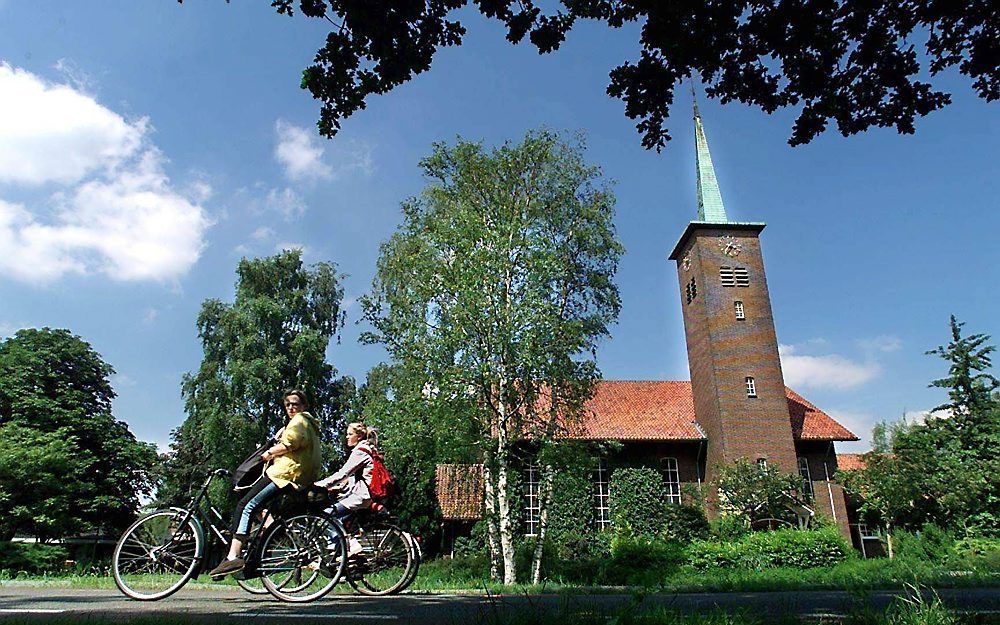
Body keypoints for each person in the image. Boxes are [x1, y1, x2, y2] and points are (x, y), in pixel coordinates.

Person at [208, 388, 322, 578]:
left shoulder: (299, 420)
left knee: (246, 505)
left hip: (285, 473)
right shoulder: (311, 425)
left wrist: (268, 453)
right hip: (300, 476)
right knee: (263, 513)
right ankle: (259, 557)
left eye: (295, 403)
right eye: (288, 404)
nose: (291, 407)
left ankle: (233, 556)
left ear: (304, 406)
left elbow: (290, 444)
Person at [315, 422, 375, 522]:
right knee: (338, 524)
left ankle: (338, 538)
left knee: (323, 519)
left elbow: (342, 474)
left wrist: (318, 485)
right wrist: (337, 488)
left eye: (350, 434)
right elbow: (352, 478)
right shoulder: (365, 449)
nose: (347, 437)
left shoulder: (361, 451)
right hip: (361, 495)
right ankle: (343, 537)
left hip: (361, 496)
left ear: (359, 436)